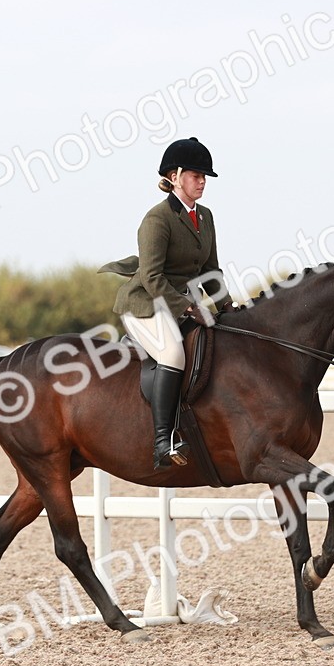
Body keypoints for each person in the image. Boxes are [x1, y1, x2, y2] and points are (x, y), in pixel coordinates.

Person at [99, 137, 235, 469]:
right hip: (146, 303)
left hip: (181, 302)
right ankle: (163, 441)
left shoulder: (205, 217)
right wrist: (190, 308)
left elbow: (210, 270)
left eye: (204, 176)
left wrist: (227, 308)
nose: (202, 181)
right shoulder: (157, 219)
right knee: (173, 352)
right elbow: (152, 277)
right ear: (174, 177)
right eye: (194, 174)